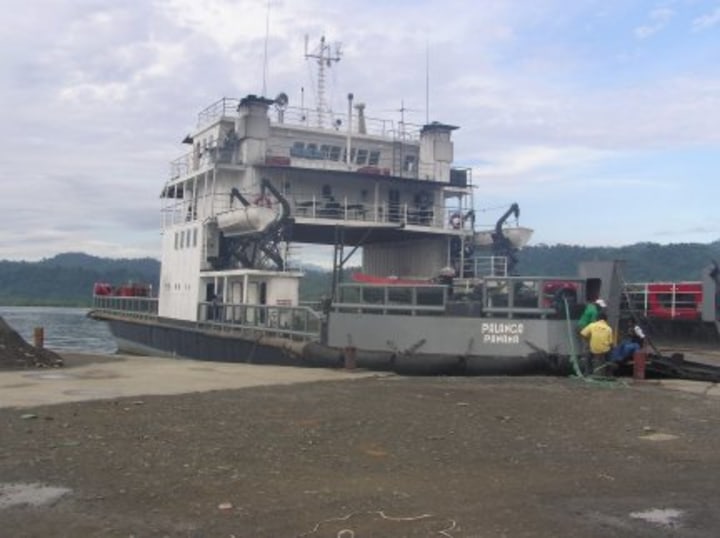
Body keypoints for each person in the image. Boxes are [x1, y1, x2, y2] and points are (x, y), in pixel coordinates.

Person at [580, 311, 614, 376]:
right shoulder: (609, 328)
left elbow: (582, 334)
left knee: (588, 356)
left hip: (593, 349)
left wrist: (588, 341)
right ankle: (609, 373)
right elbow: (611, 343)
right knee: (609, 355)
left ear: (597, 318)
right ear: (606, 320)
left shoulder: (592, 325)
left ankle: (588, 372)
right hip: (604, 350)